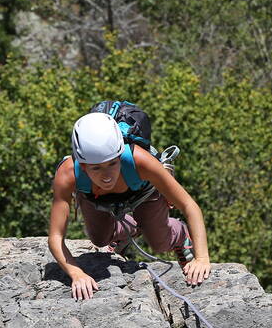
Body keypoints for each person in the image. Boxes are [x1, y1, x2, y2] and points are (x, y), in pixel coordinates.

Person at [48, 109, 212, 300]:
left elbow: (189, 206)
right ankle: (128, 230)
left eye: (112, 163)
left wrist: (201, 258)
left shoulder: (139, 160)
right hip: (95, 197)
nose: (107, 175)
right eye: (96, 168)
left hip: (143, 192)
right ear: (83, 165)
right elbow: (55, 236)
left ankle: (180, 234)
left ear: (120, 155)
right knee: (100, 240)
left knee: (159, 242)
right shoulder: (68, 175)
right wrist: (76, 273)